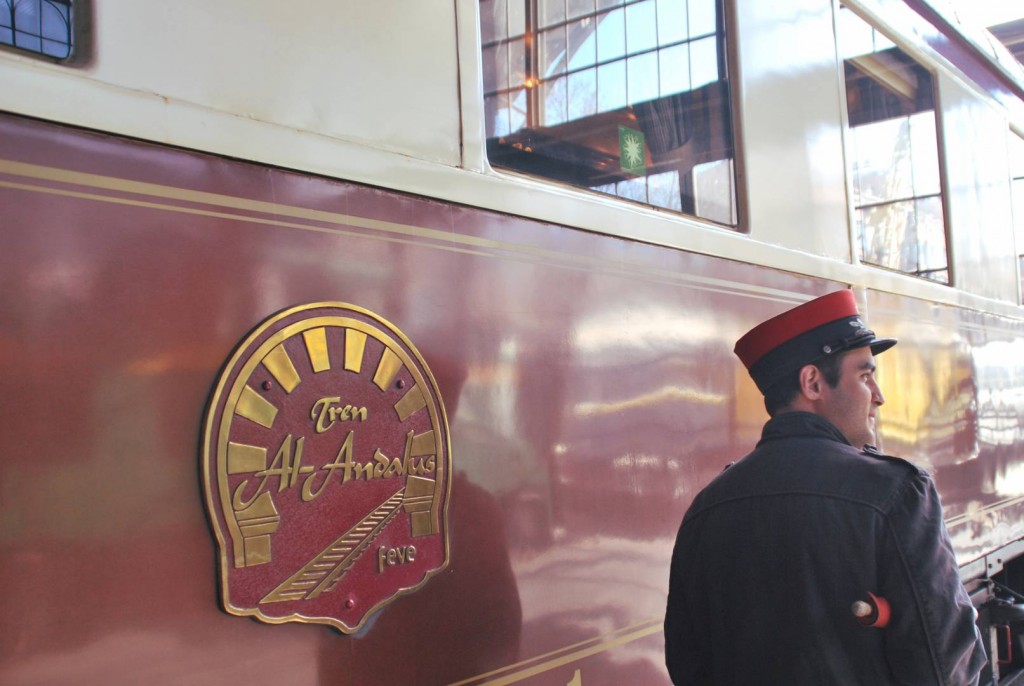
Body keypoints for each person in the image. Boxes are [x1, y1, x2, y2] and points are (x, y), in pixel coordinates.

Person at [664, 289, 987, 685]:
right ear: (813, 382)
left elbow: (687, 662)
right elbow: (943, 666)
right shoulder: (895, 492)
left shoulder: (707, 509)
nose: (879, 397)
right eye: (866, 376)